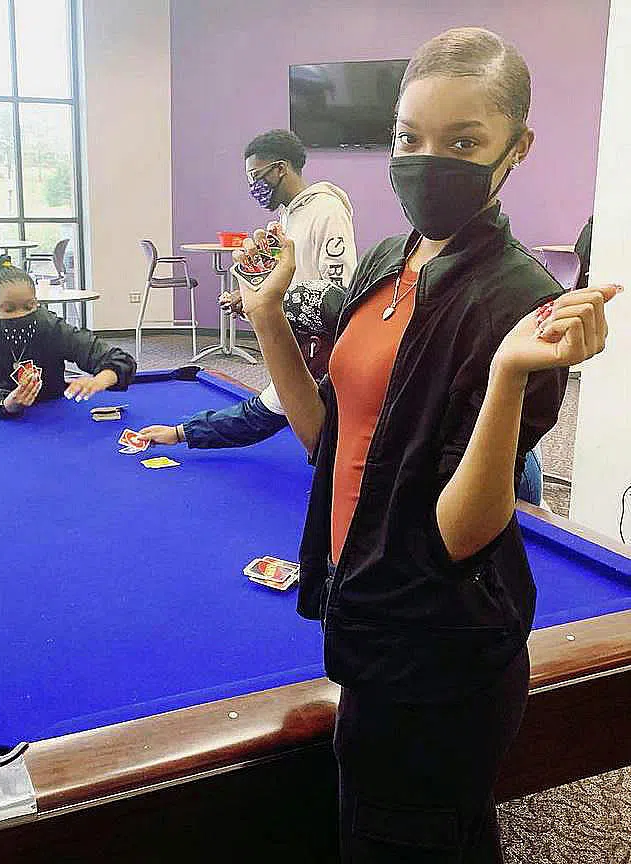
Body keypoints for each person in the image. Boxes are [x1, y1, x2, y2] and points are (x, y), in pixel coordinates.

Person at [232, 29, 617, 863]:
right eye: (409, 137)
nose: (425, 159)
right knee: (422, 829)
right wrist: (266, 318)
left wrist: (510, 378)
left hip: (438, 644)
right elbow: (326, 441)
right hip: (365, 604)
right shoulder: (387, 256)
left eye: (463, 141)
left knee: (403, 836)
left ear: (517, 148)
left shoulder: (520, 300)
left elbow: (459, 532)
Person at [138, 128, 355, 449]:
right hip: (294, 345)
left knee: (313, 430)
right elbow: (287, 283)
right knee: (272, 410)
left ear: (280, 168)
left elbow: (339, 293)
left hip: (322, 352)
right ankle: (182, 433)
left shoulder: (327, 210)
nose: (254, 186)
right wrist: (252, 300)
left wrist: (272, 307)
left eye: (257, 175)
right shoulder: (286, 218)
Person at [0, 255, 136, 416]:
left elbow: (120, 360)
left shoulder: (48, 325)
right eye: (9, 309)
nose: (20, 315)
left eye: (29, 306)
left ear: (36, 302)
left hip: (54, 412)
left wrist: (99, 381)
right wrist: (10, 402)